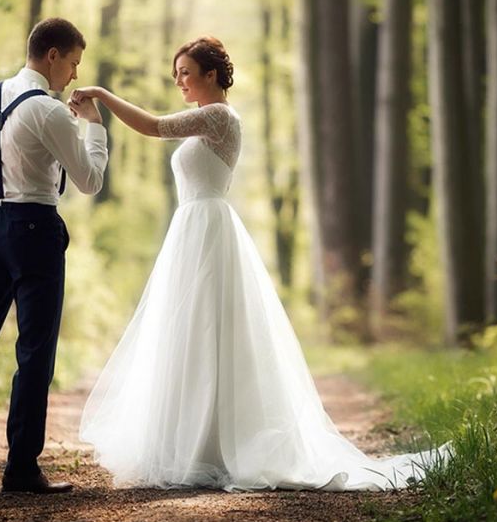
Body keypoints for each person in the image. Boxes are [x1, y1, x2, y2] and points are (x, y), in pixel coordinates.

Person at [73, 36, 449, 491]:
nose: (180, 81)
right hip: (192, 229)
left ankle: (215, 444)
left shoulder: (219, 116)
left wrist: (102, 96)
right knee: (191, 332)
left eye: (186, 73)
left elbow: (154, 127)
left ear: (212, 75)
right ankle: (192, 441)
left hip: (208, 229)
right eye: (177, 74)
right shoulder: (207, 119)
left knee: (210, 329)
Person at [0, 17, 108, 495]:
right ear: (52, 56)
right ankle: (21, 469)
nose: (74, 74)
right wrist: (94, 127)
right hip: (34, 228)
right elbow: (90, 180)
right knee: (34, 351)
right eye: (73, 63)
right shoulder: (50, 112)